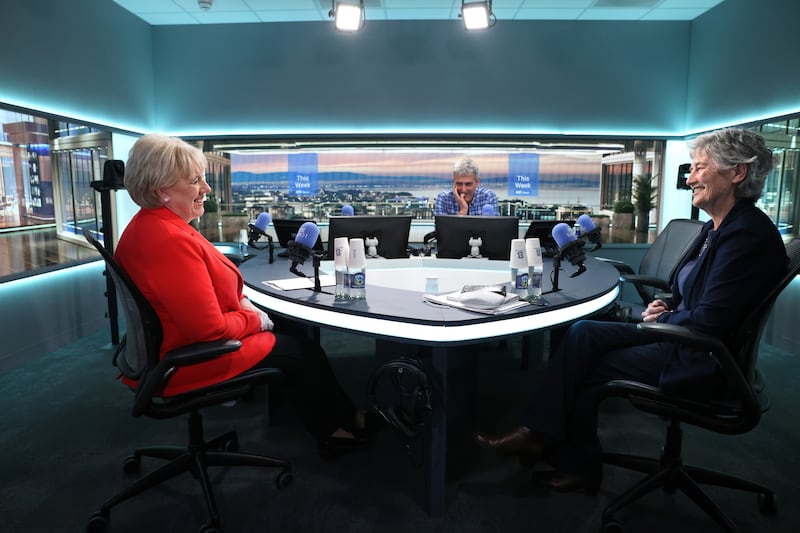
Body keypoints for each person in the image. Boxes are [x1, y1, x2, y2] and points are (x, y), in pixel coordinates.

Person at [474, 128, 788, 492]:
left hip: (702, 356)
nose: (689, 178)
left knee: (590, 362)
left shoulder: (745, 235)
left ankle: (574, 462)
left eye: (701, 168)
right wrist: (668, 302)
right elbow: (701, 293)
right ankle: (539, 435)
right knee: (583, 331)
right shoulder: (719, 227)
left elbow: (712, 320)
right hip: (684, 333)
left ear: (737, 173)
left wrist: (666, 317)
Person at [115, 133, 364, 459]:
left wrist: (243, 301)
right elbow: (209, 330)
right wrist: (253, 318)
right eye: (195, 181)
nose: (206, 189)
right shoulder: (165, 239)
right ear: (162, 191)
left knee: (294, 334)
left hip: (172, 344)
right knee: (304, 353)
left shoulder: (154, 225)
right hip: (189, 356)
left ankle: (331, 419)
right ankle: (339, 430)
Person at [434, 158, 499, 216]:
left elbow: (493, 228)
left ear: (477, 182)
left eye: (468, 184)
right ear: (453, 182)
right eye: (459, 184)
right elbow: (442, 229)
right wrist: (463, 210)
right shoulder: (444, 198)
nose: (463, 190)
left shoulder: (488, 197)